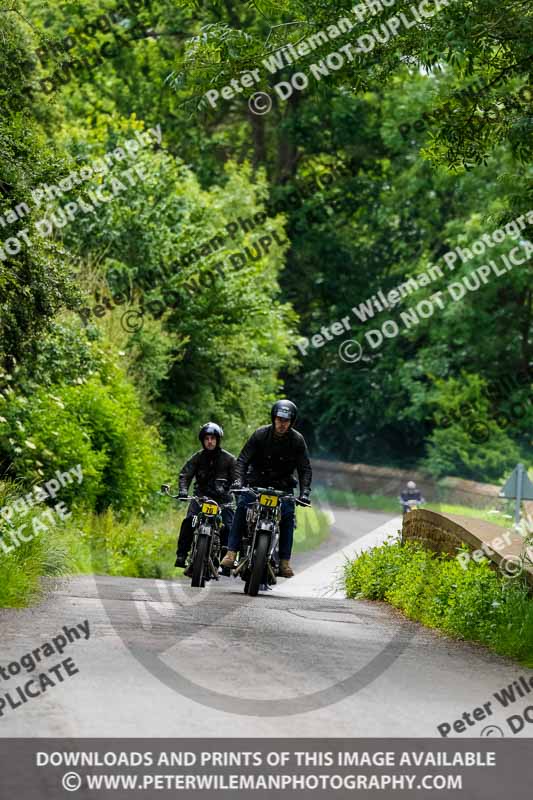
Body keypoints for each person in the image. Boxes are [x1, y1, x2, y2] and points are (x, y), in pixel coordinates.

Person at [221, 400, 312, 578]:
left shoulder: (297, 441)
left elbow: (304, 469)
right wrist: (239, 481)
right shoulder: (260, 435)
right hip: (256, 484)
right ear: (273, 418)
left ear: (292, 422)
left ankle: (285, 562)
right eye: (279, 419)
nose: (281, 423)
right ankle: (231, 553)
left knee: (287, 517)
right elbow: (242, 460)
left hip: (283, 488)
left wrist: (305, 492)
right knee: (241, 507)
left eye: (286, 420)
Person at [174, 422, 236, 571]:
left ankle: (226, 559)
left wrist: (239, 496)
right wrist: (183, 490)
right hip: (201, 498)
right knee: (189, 521)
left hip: (223, 501)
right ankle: (182, 555)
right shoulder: (197, 458)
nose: (210, 441)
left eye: (213, 438)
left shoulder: (229, 459)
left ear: (218, 440)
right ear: (202, 440)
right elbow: (185, 474)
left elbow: (238, 480)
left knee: (229, 527)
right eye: (207, 438)